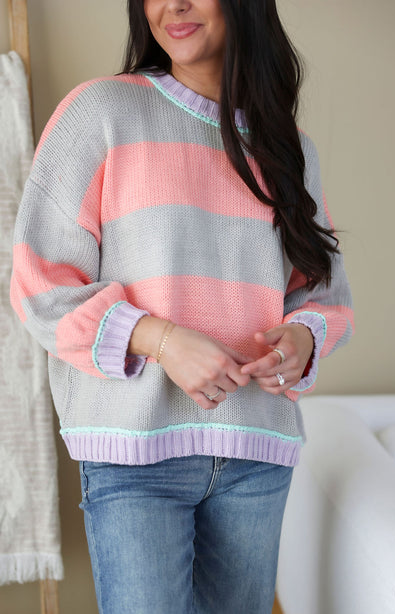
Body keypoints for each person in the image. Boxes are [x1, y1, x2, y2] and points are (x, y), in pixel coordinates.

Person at [10, 0, 354, 612]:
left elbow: (321, 291)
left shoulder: (288, 147)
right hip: (135, 456)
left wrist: (301, 338)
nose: (174, 5)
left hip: (256, 452)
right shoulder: (101, 112)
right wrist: (162, 340)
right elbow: (41, 285)